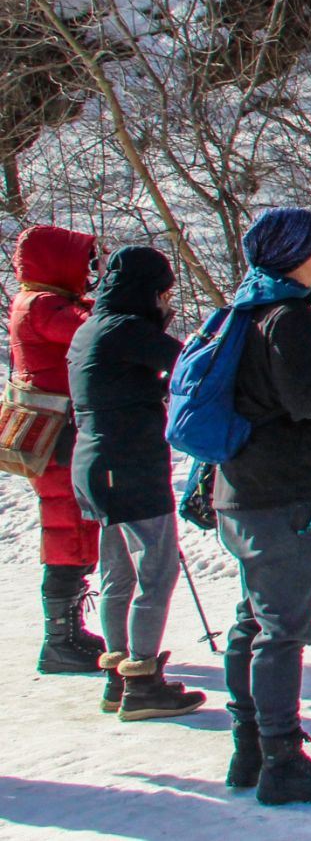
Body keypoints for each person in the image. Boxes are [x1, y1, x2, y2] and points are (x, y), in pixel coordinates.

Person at [214, 208, 311, 806]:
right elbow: (309, 398)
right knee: (281, 629)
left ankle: (250, 747)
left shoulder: (246, 310)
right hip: (282, 495)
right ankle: (282, 759)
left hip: (242, 489)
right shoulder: (290, 318)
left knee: (253, 619)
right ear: (296, 252)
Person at [68, 245, 205, 720]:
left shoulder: (91, 328)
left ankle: (118, 677)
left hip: (93, 462)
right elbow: (191, 365)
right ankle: (143, 681)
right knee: (156, 569)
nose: (166, 302)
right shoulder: (128, 331)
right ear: (148, 291)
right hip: (129, 462)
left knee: (118, 574)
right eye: (163, 293)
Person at [10, 225, 106, 675]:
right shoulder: (44, 306)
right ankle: (60, 639)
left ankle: (67, 632)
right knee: (67, 528)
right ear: (57, 263)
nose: (88, 274)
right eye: (83, 263)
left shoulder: (38, 300)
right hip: (57, 437)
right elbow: (93, 334)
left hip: (53, 434)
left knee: (72, 525)